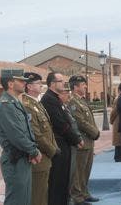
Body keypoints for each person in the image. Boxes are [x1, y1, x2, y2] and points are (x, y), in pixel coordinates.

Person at [0, 69, 42, 205]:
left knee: (24, 199)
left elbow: (26, 131)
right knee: (16, 200)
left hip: (23, 159)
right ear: (10, 84)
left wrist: (31, 151)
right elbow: (17, 135)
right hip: (15, 161)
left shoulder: (15, 102)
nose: (24, 83)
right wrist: (33, 150)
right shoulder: (6, 105)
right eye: (20, 81)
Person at [41, 72, 84, 205]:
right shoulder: (49, 99)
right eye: (61, 81)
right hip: (59, 144)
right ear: (52, 83)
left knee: (63, 180)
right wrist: (76, 139)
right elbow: (61, 124)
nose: (64, 83)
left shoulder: (55, 98)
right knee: (57, 181)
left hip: (64, 144)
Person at [22, 72, 59, 205]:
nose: (41, 85)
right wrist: (52, 149)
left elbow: (48, 129)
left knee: (43, 193)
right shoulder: (27, 105)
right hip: (40, 158)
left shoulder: (36, 104)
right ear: (29, 87)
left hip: (45, 157)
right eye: (38, 83)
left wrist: (53, 148)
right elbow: (36, 134)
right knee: (37, 196)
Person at [68, 75, 100, 205]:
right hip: (82, 142)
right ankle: (77, 197)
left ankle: (85, 193)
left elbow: (88, 120)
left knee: (86, 170)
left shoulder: (82, 100)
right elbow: (80, 122)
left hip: (88, 142)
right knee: (79, 171)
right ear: (75, 87)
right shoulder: (73, 102)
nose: (85, 86)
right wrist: (95, 133)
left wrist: (94, 133)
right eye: (83, 85)